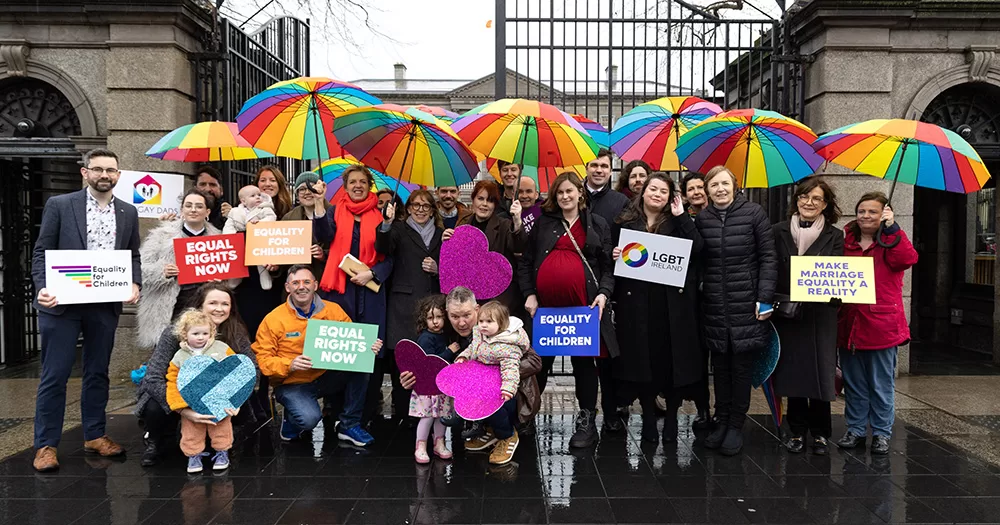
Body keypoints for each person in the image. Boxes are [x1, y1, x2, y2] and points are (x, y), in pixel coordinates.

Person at [30, 148, 141, 472]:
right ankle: (45, 445)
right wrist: (42, 288)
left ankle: (94, 434)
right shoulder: (60, 206)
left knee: (98, 372)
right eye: (98, 169)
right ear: (85, 172)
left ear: (118, 175)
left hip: (103, 305)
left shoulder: (128, 212)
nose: (104, 175)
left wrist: (134, 283)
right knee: (55, 375)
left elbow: (132, 254)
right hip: (62, 305)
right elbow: (41, 252)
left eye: (111, 170)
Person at [519, 172, 619, 448]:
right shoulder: (543, 224)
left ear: (580, 193)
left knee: (584, 365)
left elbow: (608, 268)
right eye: (560, 192)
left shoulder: (597, 224)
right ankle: (526, 415)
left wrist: (603, 294)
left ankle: (586, 421)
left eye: (569, 191)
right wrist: (529, 294)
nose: (565, 196)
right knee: (538, 364)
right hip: (546, 311)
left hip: (584, 310)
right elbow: (526, 263)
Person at [611, 173, 704, 443]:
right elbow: (612, 255)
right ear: (644, 192)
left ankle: (673, 416)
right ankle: (649, 418)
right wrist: (615, 253)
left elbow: (698, 248)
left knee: (670, 363)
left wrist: (682, 215)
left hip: (671, 307)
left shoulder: (678, 222)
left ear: (670, 197)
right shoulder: (625, 222)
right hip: (638, 306)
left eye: (664, 191)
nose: (657, 194)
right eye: (653, 189)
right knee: (644, 364)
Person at [695, 166, 777, 456]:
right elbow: (696, 256)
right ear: (707, 190)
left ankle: (735, 425)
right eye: (714, 184)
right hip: (715, 305)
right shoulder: (702, 219)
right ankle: (722, 419)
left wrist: (764, 297)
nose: (719, 189)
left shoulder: (754, 214)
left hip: (747, 305)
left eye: (724, 183)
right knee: (720, 368)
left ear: (735, 185)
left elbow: (768, 257)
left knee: (741, 369)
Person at [253, 265, 383, 446]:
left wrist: (368, 346)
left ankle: (348, 425)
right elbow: (263, 360)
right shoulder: (273, 319)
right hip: (292, 383)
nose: (301, 286)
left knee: (362, 364)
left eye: (306, 282)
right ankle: (291, 419)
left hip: (325, 376)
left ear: (315, 285)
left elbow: (352, 343)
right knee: (308, 420)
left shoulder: (333, 310)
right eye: (295, 283)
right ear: (287, 287)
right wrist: (290, 364)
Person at [135, 282, 259, 467]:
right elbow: (153, 377)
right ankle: (157, 440)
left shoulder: (235, 331)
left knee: (244, 405)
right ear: (200, 305)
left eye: (225, 304)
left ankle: (220, 445)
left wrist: (234, 399)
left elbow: (251, 370)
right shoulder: (175, 332)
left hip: (218, 396)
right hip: (178, 393)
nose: (219, 309)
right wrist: (184, 408)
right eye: (213, 303)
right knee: (154, 407)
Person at [835, 192, 918, 456]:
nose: (866, 216)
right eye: (861, 211)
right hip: (849, 325)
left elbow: (907, 259)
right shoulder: (845, 241)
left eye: (872, 212)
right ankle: (856, 429)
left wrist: (893, 230)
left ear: (884, 213)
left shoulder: (892, 242)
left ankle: (882, 433)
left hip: (881, 325)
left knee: (881, 386)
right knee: (854, 383)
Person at [310, 167, 394, 426]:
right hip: (340, 292)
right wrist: (318, 202)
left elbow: (390, 254)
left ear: (370, 185)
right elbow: (324, 236)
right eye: (352, 182)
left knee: (369, 354)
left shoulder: (381, 214)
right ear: (344, 187)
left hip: (370, 292)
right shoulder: (334, 211)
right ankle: (335, 412)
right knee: (339, 352)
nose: (357, 186)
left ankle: (363, 415)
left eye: (362, 182)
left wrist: (373, 273)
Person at [405, 287, 541, 447]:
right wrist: (413, 377)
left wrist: (493, 373)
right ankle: (486, 428)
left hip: (509, 394)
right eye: (454, 316)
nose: (461, 322)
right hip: (474, 395)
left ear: (477, 309)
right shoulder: (444, 332)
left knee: (489, 386)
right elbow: (430, 363)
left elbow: (535, 361)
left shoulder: (497, 325)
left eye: (467, 315)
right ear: (447, 312)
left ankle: (507, 437)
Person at [771, 178, 845, 456]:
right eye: (804, 197)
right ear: (796, 199)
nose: (809, 202)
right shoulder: (776, 230)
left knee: (821, 374)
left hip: (820, 314)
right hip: (788, 313)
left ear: (825, 204)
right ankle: (797, 431)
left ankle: (822, 434)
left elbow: (839, 271)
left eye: (816, 198)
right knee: (794, 374)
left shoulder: (835, 235)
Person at [137, 189, 223, 350]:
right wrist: (162, 272)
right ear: (182, 210)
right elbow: (140, 268)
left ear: (207, 212)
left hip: (202, 303)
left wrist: (219, 281)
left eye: (199, 206)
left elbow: (229, 277)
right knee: (167, 353)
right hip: (169, 304)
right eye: (188, 205)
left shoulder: (219, 238)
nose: (193, 209)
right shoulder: (161, 235)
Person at [455, 301, 530, 465]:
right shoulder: (481, 336)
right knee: (483, 409)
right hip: (486, 384)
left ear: (501, 324)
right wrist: (464, 356)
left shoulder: (507, 345)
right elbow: (473, 348)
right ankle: (493, 432)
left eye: (489, 322)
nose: (483, 325)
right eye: (481, 321)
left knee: (497, 413)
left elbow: (511, 369)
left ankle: (507, 436)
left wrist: (508, 390)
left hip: (502, 391)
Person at [165, 309, 239, 473]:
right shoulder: (179, 356)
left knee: (221, 426)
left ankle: (222, 452)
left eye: (205, 333)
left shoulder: (222, 349)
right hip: (192, 401)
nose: (200, 337)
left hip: (218, 399)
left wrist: (235, 398)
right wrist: (180, 406)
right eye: (195, 333)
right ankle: (193, 455)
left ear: (211, 332)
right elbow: (173, 380)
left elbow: (235, 370)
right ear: (185, 334)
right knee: (191, 430)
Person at [446, 180, 526, 312]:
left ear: (495, 205)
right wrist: (448, 242)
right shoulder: (463, 226)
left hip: (499, 298)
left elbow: (519, 246)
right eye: (480, 199)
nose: (484, 204)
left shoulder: (504, 225)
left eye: (489, 200)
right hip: (470, 298)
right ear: (473, 200)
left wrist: (517, 221)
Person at [410, 295, 458, 463]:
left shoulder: (444, 336)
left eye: (439, 317)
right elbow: (431, 361)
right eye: (430, 318)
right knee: (428, 416)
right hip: (428, 385)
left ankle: (439, 442)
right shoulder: (425, 338)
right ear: (424, 320)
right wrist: (450, 351)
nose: (435, 322)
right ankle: (421, 446)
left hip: (443, 385)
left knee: (442, 415)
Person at [224, 185, 278, 290]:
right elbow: (229, 225)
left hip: (259, 241)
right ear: (243, 201)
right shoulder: (235, 212)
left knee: (262, 262)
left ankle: (265, 279)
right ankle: (234, 280)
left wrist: (260, 223)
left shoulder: (264, 208)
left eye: (259, 195)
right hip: (240, 243)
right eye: (253, 196)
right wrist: (230, 237)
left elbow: (272, 218)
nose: (258, 197)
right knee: (238, 262)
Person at [282, 171, 330, 280]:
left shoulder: (335, 214)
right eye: (302, 189)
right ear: (297, 195)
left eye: (311, 187)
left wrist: (324, 255)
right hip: (298, 284)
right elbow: (283, 254)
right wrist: (275, 266)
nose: (307, 192)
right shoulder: (288, 219)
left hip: (327, 281)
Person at [583, 148, 630, 226]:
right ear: (586, 169)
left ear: (611, 171)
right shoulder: (573, 198)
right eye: (594, 165)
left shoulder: (622, 202)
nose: (599, 170)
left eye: (604, 166)